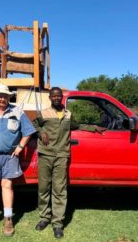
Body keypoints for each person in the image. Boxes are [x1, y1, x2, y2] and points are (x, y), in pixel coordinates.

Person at [32, 87, 105, 239]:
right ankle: (44, 218)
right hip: (45, 154)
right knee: (44, 188)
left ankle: (58, 223)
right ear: (50, 98)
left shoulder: (68, 114)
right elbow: (33, 125)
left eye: (59, 96)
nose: (57, 98)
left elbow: (77, 126)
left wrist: (94, 128)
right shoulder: (43, 113)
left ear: (61, 98)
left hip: (62, 155)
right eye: (54, 96)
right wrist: (41, 133)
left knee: (59, 189)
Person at [0, 83, 36, 237]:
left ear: (9, 97)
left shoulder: (17, 112)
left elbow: (28, 131)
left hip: (10, 156)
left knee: (7, 184)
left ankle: (8, 219)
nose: (2, 98)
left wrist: (20, 147)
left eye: (5, 96)